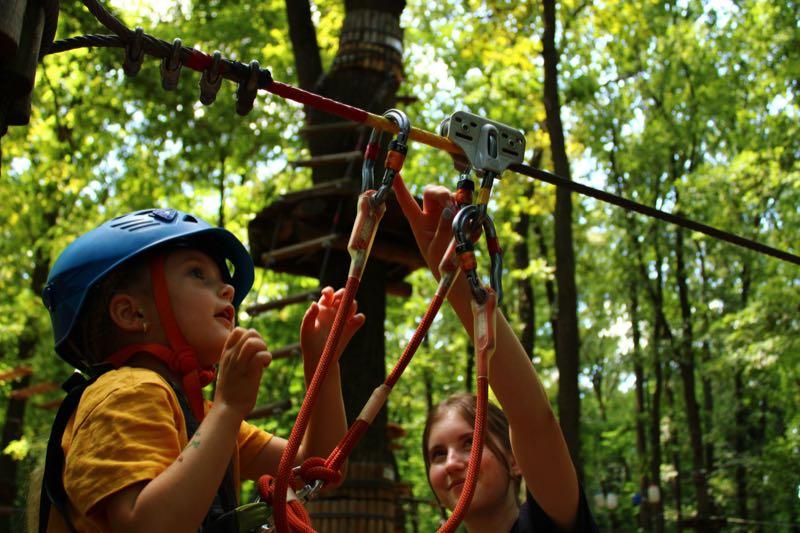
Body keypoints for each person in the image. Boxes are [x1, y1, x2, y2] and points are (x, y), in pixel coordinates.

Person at [37, 207, 363, 532]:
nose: (228, 291)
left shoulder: (199, 415)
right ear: (132, 313)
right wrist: (227, 409)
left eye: (222, 281)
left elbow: (317, 465)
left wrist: (323, 365)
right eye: (197, 274)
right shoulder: (128, 391)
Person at [392, 178, 598, 532]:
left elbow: (533, 420)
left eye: (470, 443)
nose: (453, 463)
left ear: (517, 461)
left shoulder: (549, 524)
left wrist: (456, 282)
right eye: (437, 455)